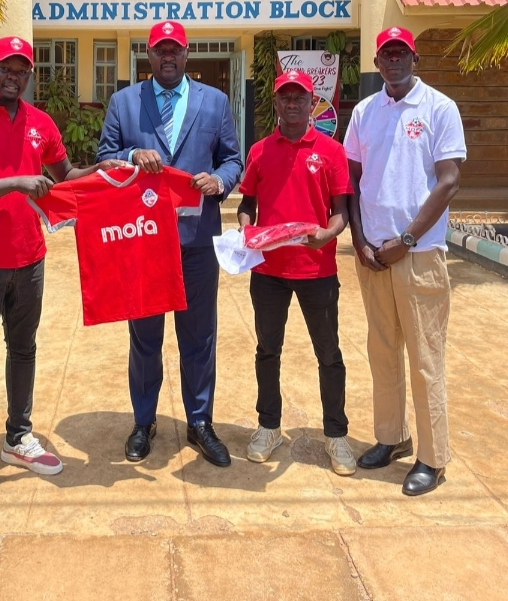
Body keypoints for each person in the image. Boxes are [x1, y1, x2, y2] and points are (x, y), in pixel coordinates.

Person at [0, 36, 121, 504]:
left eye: (23, 70)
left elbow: (66, 177)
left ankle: (18, 438)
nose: (15, 77)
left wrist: (108, 169)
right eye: (7, 68)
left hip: (30, 258)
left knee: (24, 350)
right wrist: (13, 183)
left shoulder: (40, 123)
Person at [96, 21, 243, 467]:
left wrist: (219, 181)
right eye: (160, 50)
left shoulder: (214, 102)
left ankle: (200, 422)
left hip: (198, 241)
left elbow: (233, 158)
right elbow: (105, 158)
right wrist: (128, 156)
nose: (167, 57)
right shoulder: (124, 102)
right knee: (145, 336)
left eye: (174, 50)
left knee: (198, 335)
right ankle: (144, 421)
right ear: (149, 55)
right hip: (143, 241)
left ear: (186, 54)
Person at [344, 26, 466, 496]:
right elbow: (352, 182)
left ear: (413, 57)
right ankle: (391, 438)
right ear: (377, 62)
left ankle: (432, 459)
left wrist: (407, 239)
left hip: (419, 255)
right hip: (372, 256)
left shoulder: (439, 108)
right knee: (382, 352)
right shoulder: (364, 111)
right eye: (385, 54)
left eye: (401, 53)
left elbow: (448, 181)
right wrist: (359, 240)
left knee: (425, 359)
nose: (393, 61)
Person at [237, 70, 355, 476]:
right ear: (276, 103)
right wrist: (245, 228)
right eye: (285, 97)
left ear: (312, 103)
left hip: (317, 268)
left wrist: (328, 234)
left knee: (329, 354)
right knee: (268, 350)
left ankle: (336, 434)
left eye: (299, 97)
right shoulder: (260, 151)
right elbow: (247, 202)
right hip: (269, 269)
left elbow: (341, 211)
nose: (292, 104)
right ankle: (268, 426)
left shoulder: (331, 151)